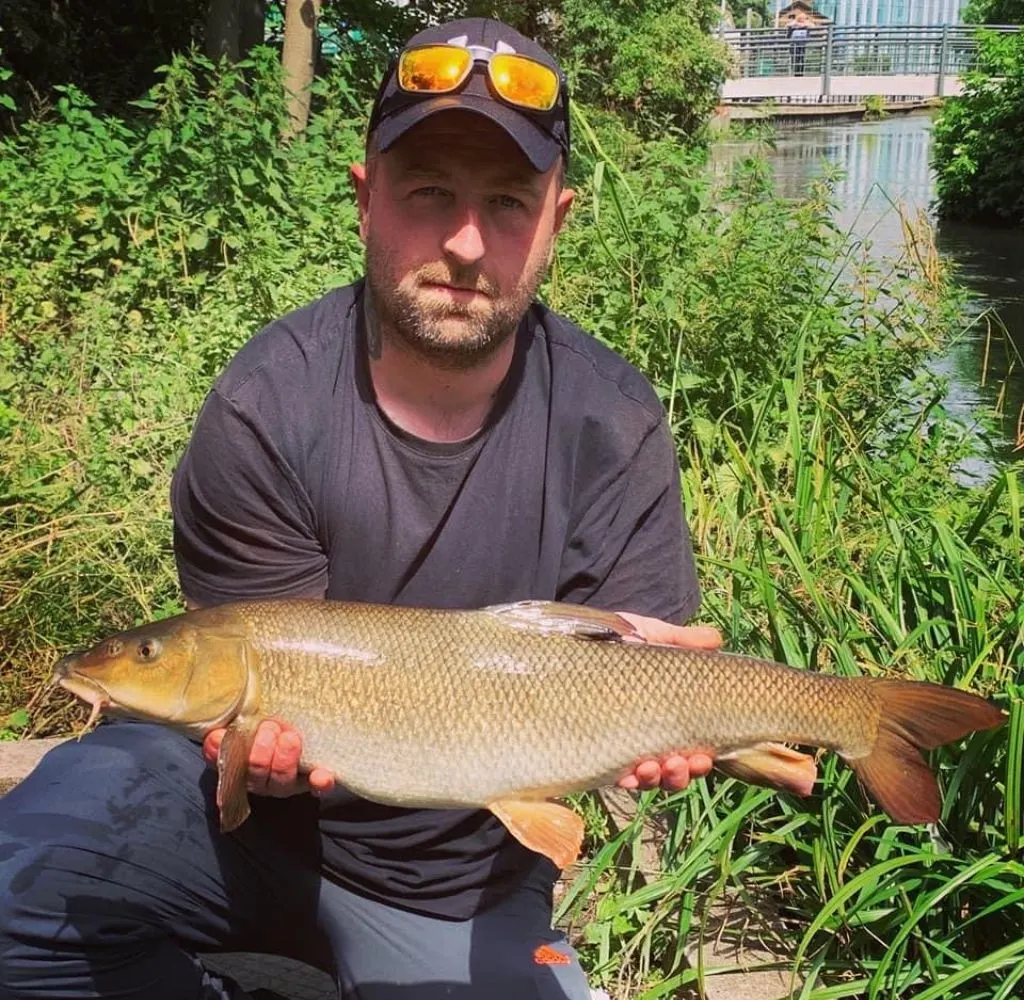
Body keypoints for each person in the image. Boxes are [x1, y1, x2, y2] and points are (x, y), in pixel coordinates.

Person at [0, 16, 800, 1000]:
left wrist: (672, 728)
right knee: (18, 896)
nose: (465, 243)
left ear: (557, 219)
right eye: (428, 195)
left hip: (458, 874)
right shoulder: (267, 401)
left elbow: (637, 665)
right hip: (235, 826)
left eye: (506, 203)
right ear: (366, 197)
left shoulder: (613, 417)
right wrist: (255, 745)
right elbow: (256, 732)